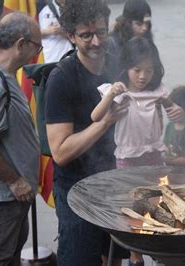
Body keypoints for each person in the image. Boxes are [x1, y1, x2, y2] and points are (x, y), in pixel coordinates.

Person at [44, 0, 130, 265]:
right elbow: (60, 152)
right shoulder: (62, 78)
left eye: (101, 32)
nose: (96, 41)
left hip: (113, 181)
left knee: (115, 256)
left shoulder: (118, 65)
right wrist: (104, 123)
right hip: (76, 189)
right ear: (70, 36)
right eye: (86, 35)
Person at [91, 37, 182, 266]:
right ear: (125, 68)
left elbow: (174, 108)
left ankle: (159, 250)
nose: (143, 76)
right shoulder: (118, 92)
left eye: (149, 70)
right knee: (133, 207)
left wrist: (176, 110)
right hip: (127, 160)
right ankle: (135, 257)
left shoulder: (158, 91)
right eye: (137, 70)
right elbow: (95, 117)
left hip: (153, 156)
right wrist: (111, 95)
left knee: (157, 203)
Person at [0, 12, 41, 265]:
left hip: (12, 199)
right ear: (21, 44)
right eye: (37, 46)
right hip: (2, 201)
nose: (37, 52)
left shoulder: (3, 75)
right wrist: (15, 181)